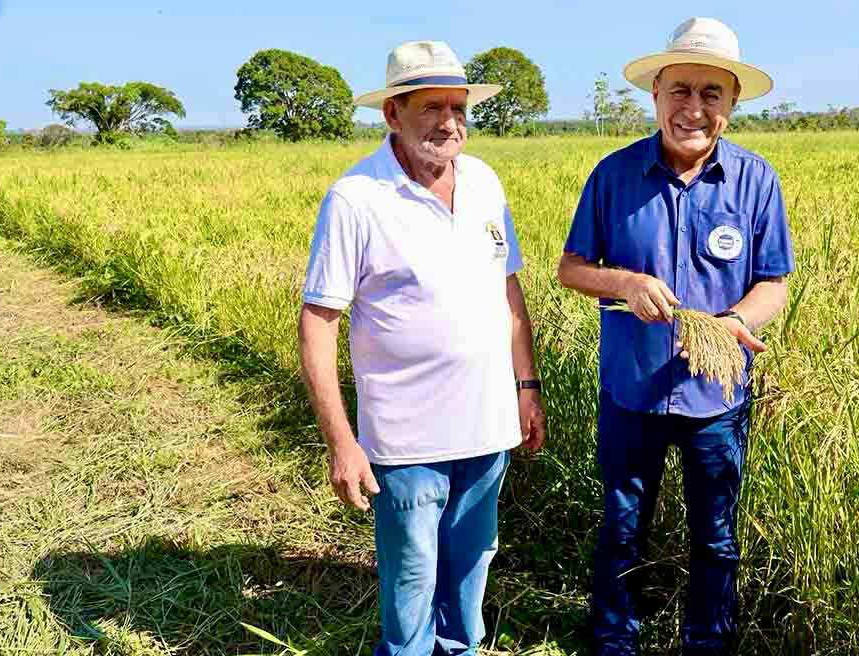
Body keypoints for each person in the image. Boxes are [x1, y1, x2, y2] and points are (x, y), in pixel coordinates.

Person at [297, 40, 546, 656]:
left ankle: (460, 648)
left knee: (471, 562)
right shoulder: (357, 198)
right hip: (407, 439)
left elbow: (508, 291)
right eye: (431, 107)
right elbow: (318, 322)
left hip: (488, 427)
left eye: (458, 107)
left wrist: (527, 387)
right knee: (412, 575)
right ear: (392, 115)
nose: (449, 122)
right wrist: (342, 441)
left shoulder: (485, 182)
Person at [557, 17, 795, 655]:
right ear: (656, 94)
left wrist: (735, 323)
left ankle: (708, 642)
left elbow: (773, 281)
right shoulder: (613, 176)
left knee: (716, 535)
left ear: (732, 104)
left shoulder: (756, 182)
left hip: (716, 398)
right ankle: (614, 640)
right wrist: (625, 282)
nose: (693, 108)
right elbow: (571, 269)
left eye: (710, 94)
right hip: (631, 392)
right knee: (621, 525)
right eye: (680, 91)